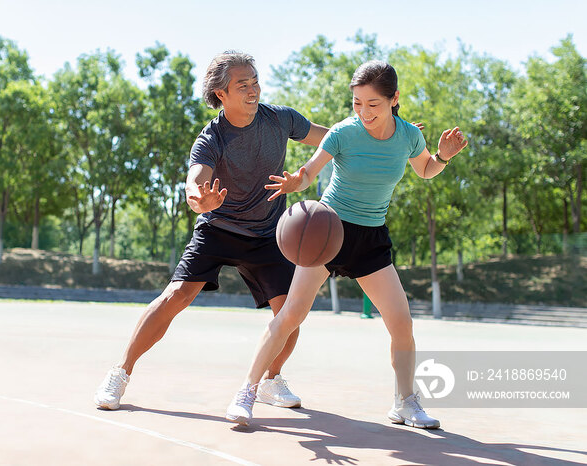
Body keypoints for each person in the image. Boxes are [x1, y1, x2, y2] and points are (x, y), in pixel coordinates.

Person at [225, 60, 468, 428]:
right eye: (357, 103)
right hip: (328, 231)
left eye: (373, 104)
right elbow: (309, 171)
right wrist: (296, 181)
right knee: (291, 314)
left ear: (394, 99)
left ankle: (405, 402)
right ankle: (247, 390)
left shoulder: (408, 136)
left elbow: (425, 169)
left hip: (371, 237)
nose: (364, 112)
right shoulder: (342, 132)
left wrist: (443, 157)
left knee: (401, 322)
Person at [94, 51, 329, 410]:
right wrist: (199, 200)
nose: (253, 90)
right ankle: (120, 372)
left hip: (267, 233)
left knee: (291, 313)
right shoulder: (211, 139)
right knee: (177, 296)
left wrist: (379, 131)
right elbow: (195, 180)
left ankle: (271, 379)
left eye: (255, 81)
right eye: (243, 85)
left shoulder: (281, 120)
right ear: (222, 94)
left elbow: (333, 139)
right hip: (218, 228)